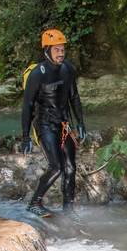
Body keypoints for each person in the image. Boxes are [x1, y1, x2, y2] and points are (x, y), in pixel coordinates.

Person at [21, 29, 87, 217]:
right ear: (47, 51)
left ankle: (68, 209)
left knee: (70, 168)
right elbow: (27, 106)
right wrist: (26, 136)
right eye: (56, 50)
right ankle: (35, 203)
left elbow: (74, 97)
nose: (61, 53)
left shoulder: (68, 69)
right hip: (44, 125)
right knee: (56, 166)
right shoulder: (37, 74)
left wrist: (80, 123)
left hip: (64, 124)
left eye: (62, 49)